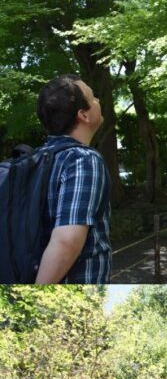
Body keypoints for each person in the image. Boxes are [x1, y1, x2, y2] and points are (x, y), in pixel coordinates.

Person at [34, 74, 111, 283]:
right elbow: (67, 241)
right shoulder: (83, 160)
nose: (98, 101)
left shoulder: (35, 159)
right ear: (83, 115)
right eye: (93, 98)